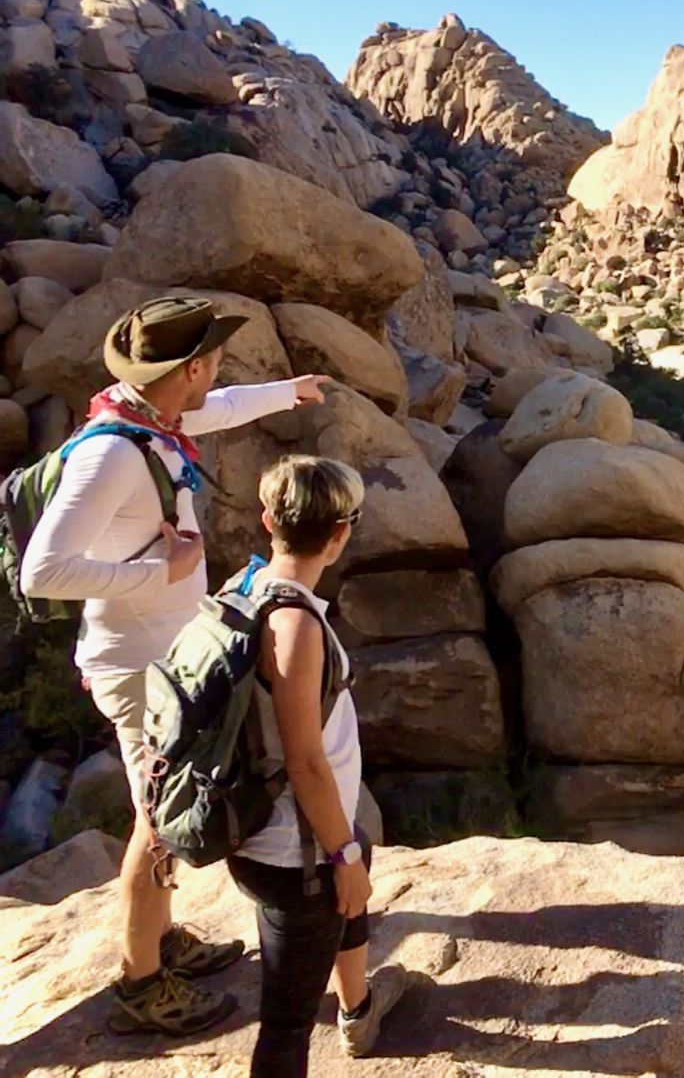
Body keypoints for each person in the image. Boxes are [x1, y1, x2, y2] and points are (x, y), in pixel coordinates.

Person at [20, 295, 330, 1035]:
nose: (218, 370)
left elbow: (214, 408)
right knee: (159, 824)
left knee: (159, 814)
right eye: (213, 358)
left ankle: (160, 939)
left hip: (165, 661)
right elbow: (43, 571)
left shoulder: (150, 418)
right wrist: (159, 573)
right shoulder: (112, 452)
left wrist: (288, 392)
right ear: (189, 367)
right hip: (138, 668)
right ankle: (140, 981)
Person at [227, 454, 409, 1074]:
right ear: (339, 537)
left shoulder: (246, 587)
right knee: (284, 1028)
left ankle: (358, 1008)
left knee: (352, 863)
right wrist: (342, 857)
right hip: (296, 850)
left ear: (267, 518)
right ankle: (346, 1011)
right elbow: (305, 761)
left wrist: (346, 847)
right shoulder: (295, 625)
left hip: (280, 826)